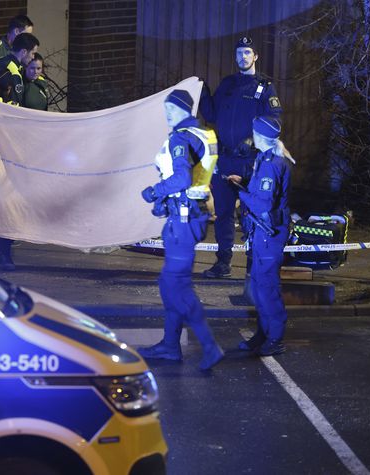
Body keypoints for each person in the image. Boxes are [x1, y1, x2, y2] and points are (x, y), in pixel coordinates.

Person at [138, 89, 224, 371]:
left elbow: (182, 177)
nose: (168, 115)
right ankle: (170, 345)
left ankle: (209, 346)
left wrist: (155, 191)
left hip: (183, 221)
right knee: (170, 284)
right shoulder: (206, 134)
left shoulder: (180, 137)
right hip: (193, 216)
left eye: (172, 110)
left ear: (185, 109)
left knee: (177, 286)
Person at [199, 36, 283, 278]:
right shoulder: (227, 85)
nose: (243, 57)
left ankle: (251, 267)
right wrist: (203, 92)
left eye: (247, 52)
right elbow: (211, 113)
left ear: (255, 56)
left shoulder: (265, 88)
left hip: (250, 164)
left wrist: (253, 141)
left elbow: (274, 120)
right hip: (225, 161)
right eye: (239, 53)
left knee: (251, 216)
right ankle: (223, 263)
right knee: (223, 214)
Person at [229, 116, 293, 356]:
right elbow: (262, 194)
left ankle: (275, 339)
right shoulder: (265, 158)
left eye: (254, 133)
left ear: (260, 136)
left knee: (267, 288)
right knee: (258, 286)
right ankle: (263, 334)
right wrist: (244, 183)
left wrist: (239, 192)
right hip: (262, 234)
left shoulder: (271, 164)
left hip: (269, 235)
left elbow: (263, 205)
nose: (251, 136)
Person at [0, 32, 40, 106]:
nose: (33, 57)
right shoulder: (13, 71)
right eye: (33, 53)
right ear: (24, 52)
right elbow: (13, 105)